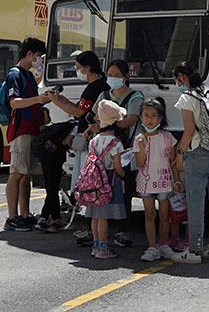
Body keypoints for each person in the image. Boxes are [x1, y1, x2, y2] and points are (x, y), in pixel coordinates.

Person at [169, 61, 209, 264]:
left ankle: (194, 251)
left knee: (196, 204)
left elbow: (189, 131)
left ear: (181, 77)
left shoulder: (187, 98)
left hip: (198, 155)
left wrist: (179, 152)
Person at [47, 50, 108, 245]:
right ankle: (91, 229)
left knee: (89, 184)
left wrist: (56, 102)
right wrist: (63, 100)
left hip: (90, 139)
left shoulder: (95, 87)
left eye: (78, 67)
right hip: (92, 137)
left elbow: (79, 112)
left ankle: (91, 230)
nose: (77, 71)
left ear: (88, 68)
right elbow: (81, 108)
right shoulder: (96, 86)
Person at [4, 37, 52, 231]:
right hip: (20, 129)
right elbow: (14, 102)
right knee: (17, 173)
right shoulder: (14, 75)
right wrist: (38, 99)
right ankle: (11, 217)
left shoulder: (29, 76)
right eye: (38, 56)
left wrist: (45, 100)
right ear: (29, 53)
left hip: (32, 128)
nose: (39, 59)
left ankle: (25, 214)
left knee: (26, 175)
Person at [100, 59, 143, 247]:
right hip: (105, 153)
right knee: (104, 189)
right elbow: (95, 117)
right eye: (110, 74)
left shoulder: (135, 97)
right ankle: (102, 230)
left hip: (126, 153)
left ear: (126, 77)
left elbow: (131, 120)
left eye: (117, 75)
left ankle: (122, 230)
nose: (113, 78)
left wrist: (108, 122)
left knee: (125, 192)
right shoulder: (103, 95)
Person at [80, 99, 127, 259]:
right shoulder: (116, 143)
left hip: (94, 183)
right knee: (103, 218)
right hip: (109, 181)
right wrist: (123, 175)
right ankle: (103, 247)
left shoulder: (94, 141)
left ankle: (95, 245)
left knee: (94, 216)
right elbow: (117, 166)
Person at [133, 96, 178, 261]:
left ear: (160, 117)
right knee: (149, 215)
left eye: (153, 115)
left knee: (164, 216)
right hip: (145, 183)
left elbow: (172, 161)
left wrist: (177, 180)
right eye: (146, 115)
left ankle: (164, 245)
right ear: (141, 117)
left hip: (164, 182)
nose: (150, 119)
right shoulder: (138, 139)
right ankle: (152, 247)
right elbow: (140, 163)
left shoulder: (168, 137)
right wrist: (142, 147)